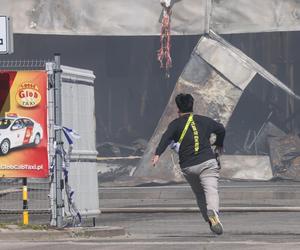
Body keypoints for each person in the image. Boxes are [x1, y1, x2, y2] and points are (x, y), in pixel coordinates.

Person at [152, 93, 225, 235]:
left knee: (199, 193)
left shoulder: (175, 124)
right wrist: (219, 144)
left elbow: (165, 138)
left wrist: (157, 154)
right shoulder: (205, 121)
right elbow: (221, 129)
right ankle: (213, 213)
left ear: (178, 109)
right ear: (192, 105)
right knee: (211, 189)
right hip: (207, 163)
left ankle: (209, 220)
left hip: (188, 166)